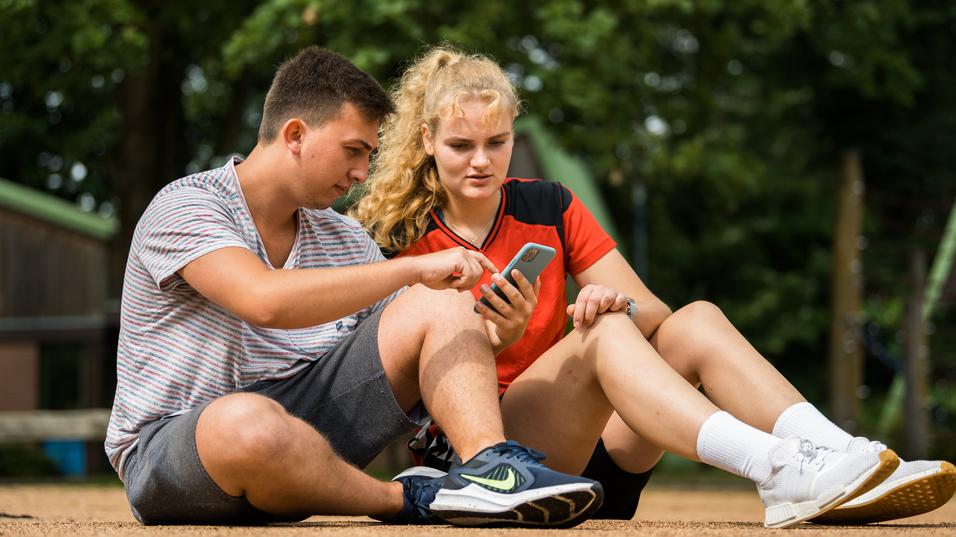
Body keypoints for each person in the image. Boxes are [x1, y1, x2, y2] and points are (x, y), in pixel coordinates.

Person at [352, 45, 955, 527]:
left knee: (693, 318)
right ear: (428, 141)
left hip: (596, 453)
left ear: (514, 135)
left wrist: (611, 303)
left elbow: (656, 316)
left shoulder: (548, 204)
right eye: (461, 145)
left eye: (497, 142)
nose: (481, 161)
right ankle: (776, 469)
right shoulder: (394, 235)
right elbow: (390, 379)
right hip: (492, 468)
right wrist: (490, 337)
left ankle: (847, 456)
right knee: (598, 338)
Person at [104, 46, 606, 529]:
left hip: (312, 436)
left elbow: (427, 341)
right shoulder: (187, 205)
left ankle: (489, 471)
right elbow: (263, 300)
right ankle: (409, 498)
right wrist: (411, 269)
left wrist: (503, 334)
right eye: (353, 151)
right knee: (247, 423)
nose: (362, 173)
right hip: (178, 449)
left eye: (368, 155)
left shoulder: (342, 235)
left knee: (440, 302)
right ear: (296, 134)